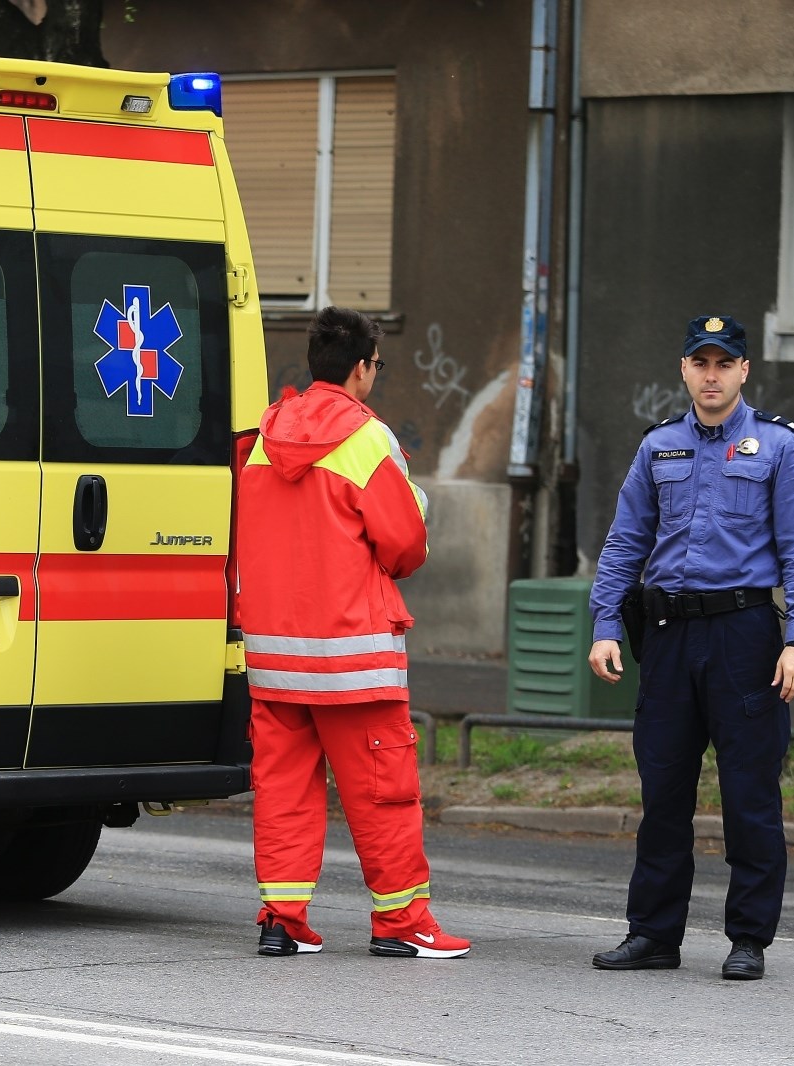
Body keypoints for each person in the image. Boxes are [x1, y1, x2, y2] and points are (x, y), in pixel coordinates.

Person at [587, 314, 794, 981]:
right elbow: (625, 540)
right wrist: (606, 623)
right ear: (684, 369)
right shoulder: (658, 445)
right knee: (663, 792)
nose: (712, 375)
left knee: (749, 795)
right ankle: (653, 935)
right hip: (666, 638)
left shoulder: (778, 447)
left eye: (725, 364)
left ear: (744, 371)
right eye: (701, 363)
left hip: (744, 636)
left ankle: (748, 937)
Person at [236, 306, 470, 960]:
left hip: (276, 658)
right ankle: (402, 923)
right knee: (382, 793)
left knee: (283, 790)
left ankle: (282, 919)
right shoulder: (367, 439)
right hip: (352, 658)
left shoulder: (263, 437)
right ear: (363, 368)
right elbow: (404, 545)